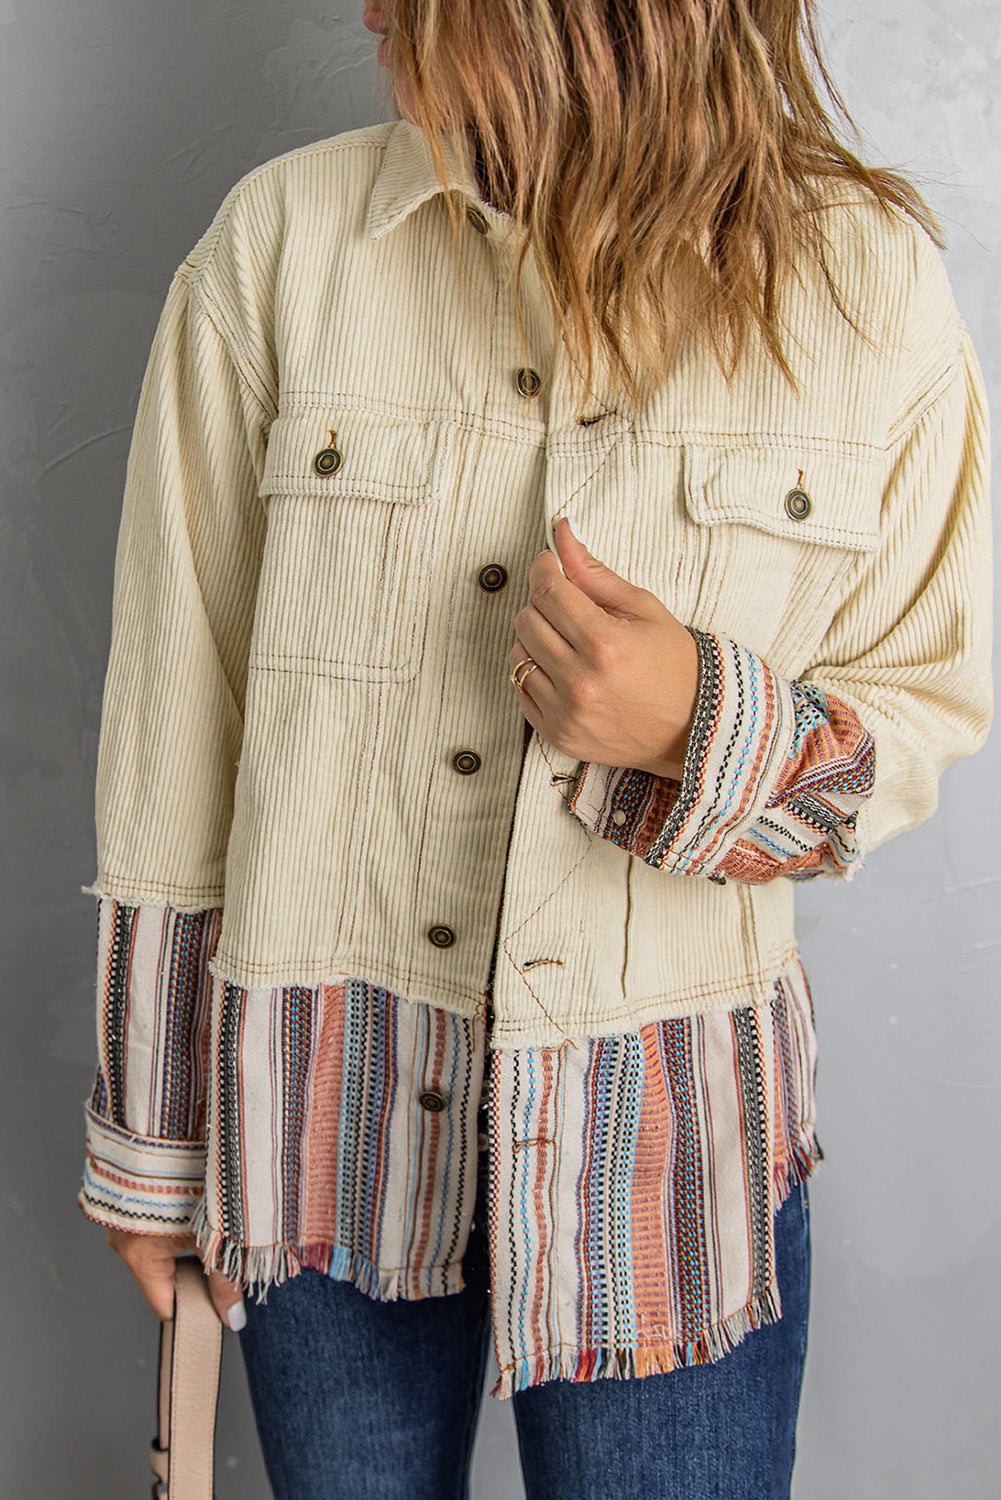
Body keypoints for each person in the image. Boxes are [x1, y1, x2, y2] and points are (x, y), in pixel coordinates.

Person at [76, 1, 992, 1496]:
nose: (373, 9)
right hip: (325, 1135)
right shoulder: (283, 249)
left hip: (668, 1160)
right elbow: (176, 730)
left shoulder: (865, 287)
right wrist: (149, 1139)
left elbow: (924, 704)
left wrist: (698, 723)